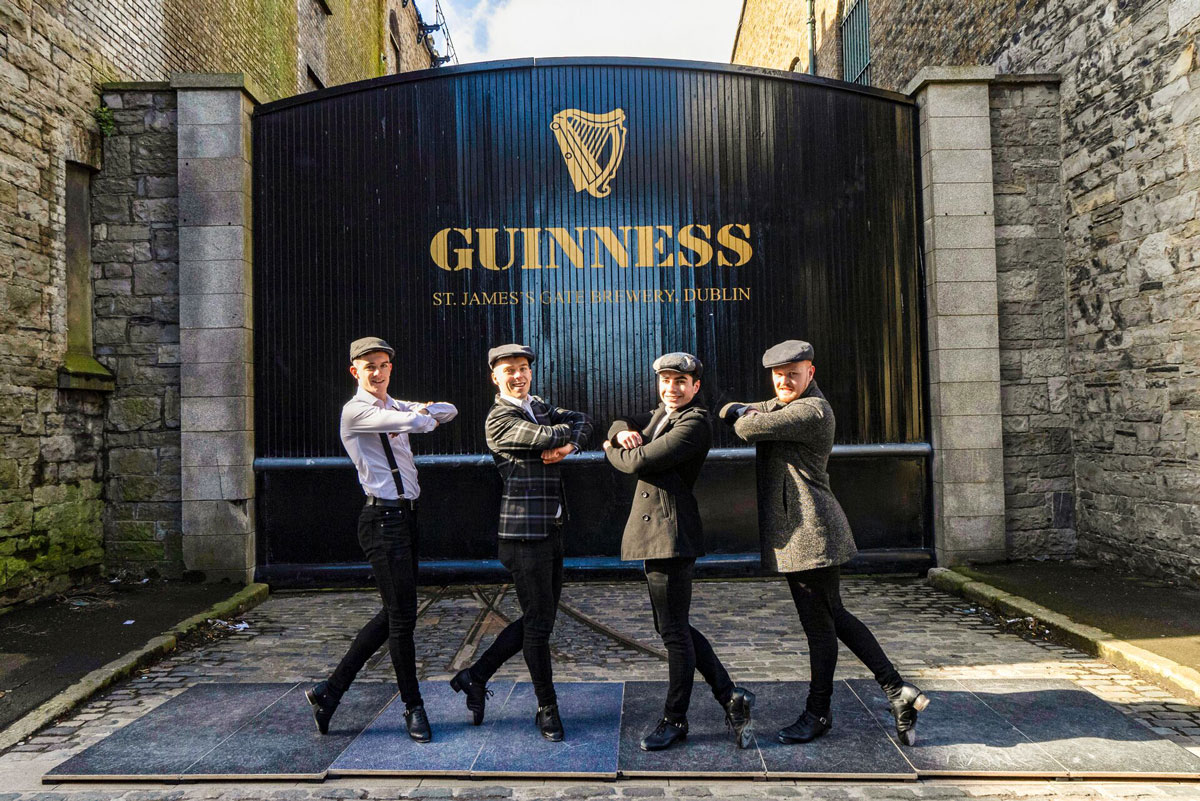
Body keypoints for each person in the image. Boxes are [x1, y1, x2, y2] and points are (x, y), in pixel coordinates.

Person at [720, 339, 929, 746]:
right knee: (834, 616)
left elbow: (746, 424)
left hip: (810, 532)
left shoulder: (811, 410)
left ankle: (819, 712)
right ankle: (897, 690)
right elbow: (755, 410)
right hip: (805, 530)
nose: (784, 382)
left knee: (821, 627)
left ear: (810, 373)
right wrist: (744, 408)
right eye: (778, 376)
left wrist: (738, 410)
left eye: (792, 375)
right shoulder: (789, 406)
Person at [306, 336, 457, 743]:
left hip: (407, 518)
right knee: (403, 619)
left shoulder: (394, 404)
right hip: (381, 519)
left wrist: (422, 411)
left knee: (394, 614)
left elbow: (449, 410)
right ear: (355, 371)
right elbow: (417, 422)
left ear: (391, 368)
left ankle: (330, 692)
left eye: (383, 364)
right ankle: (414, 707)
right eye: (369, 366)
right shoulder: (355, 411)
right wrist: (420, 413)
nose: (377, 372)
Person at [603, 352, 755, 752]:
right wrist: (619, 431)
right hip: (658, 534)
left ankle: (676, 719)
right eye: (666, 380)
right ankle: (729, 696)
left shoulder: (693, 423)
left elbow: (637, 461)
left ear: (695, 387)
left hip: (670, 535)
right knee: (675, 628)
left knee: (673, 632)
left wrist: (610, 446)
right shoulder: (661, 414)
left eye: (680, 382)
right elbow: (624, 420)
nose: (672, 388)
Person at [449, 343, 592, 741]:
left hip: (551, 530)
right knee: (538, 627)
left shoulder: (538, 403)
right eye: (509, 370)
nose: (518, 376)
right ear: (494, 376)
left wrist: (568, 445)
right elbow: (546, 434)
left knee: (537, 621)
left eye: (524, 368)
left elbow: (582, 419)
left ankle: (474, 676)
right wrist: (560, 436)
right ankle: (547, 708)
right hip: (522, 536)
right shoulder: (500, 419)